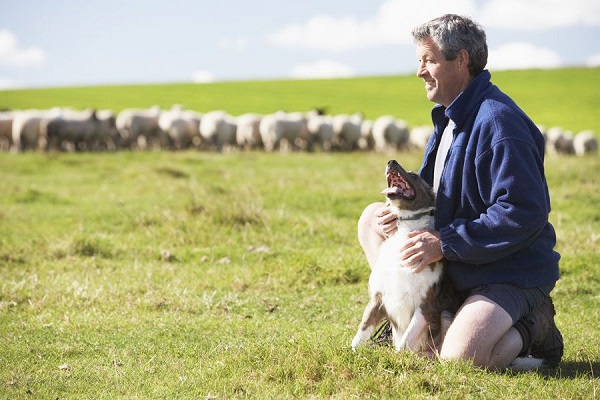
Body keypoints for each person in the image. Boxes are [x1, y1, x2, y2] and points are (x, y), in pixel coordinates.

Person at [357, 14, 563, 370]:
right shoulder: (449, 119)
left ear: (461, 60)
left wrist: (443, 242)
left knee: (459, 359)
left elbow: (523, 211)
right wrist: (402, 209)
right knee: (372, 219)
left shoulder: (501, 124)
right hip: (459, 267)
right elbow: (432, 189)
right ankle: (402, 319)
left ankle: (534, 327)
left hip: (506, 272)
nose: (420, 71)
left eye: (428, 60)